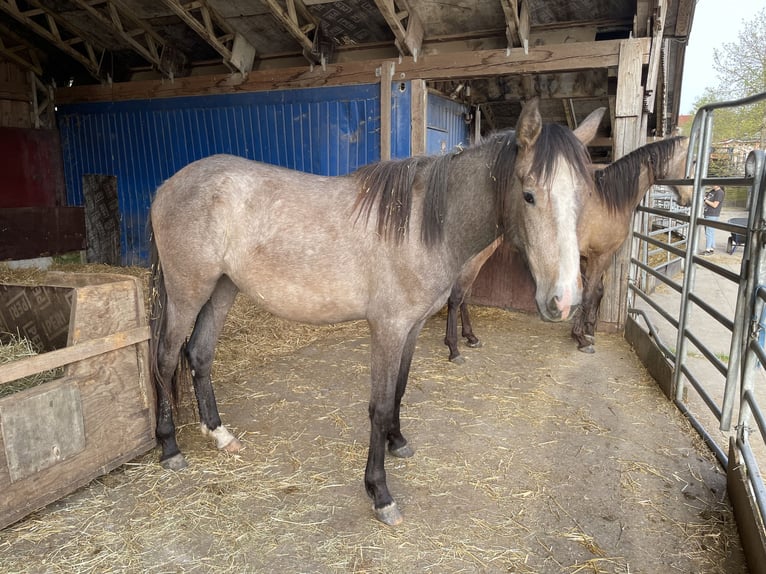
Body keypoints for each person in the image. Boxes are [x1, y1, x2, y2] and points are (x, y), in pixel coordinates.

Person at [702, 184, 725, 255]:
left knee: (709, 232)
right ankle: (711, 248)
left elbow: (715, 205)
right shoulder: (712, 191)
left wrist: (705, 200)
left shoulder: (720, 192)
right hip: (707, 213)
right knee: (710, 231)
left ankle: (708, 250)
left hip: (713, 214)